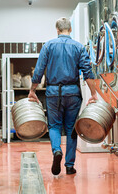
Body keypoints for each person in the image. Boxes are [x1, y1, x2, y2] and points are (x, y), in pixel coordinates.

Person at [28, 17, 98, 175]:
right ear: (70, 30)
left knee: (54, 126)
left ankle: (57, 150)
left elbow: (38, 70)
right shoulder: (79, 47)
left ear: (57, 30)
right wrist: (93, 93)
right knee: (71, 129)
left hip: (53, 93)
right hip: (72, 93)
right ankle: (69, 165)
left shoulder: (48, 46)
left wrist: (32, 90)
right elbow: (88, 73)